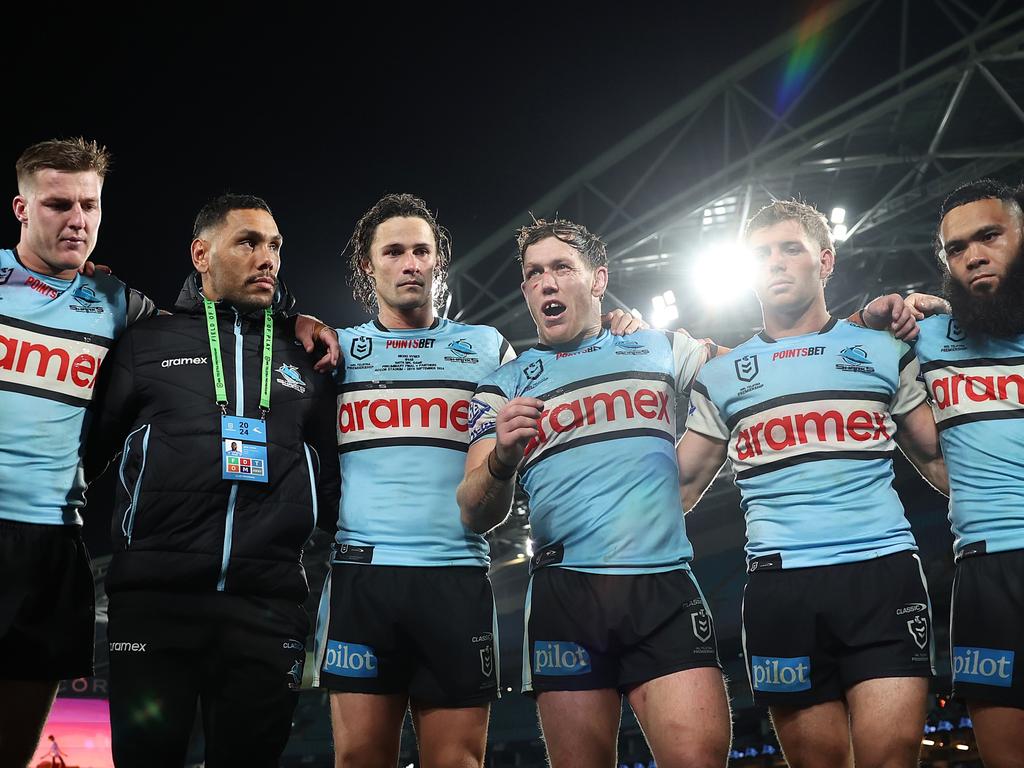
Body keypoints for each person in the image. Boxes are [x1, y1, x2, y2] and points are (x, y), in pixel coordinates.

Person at [314, 195, 643, 767]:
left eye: (422, 250)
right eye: (393, 252)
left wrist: (618, 330)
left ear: (439, 260)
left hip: (456, 578)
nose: (410, 263)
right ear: (369, 267)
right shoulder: (338, 351)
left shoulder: (488, 350)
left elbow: (564, 364)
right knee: (358, 760)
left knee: (460, 762)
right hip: (362, 580)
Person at [677, 199, 948, 768]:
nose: (775, 263)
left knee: (891, 758)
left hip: (883, 576)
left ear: (825, 261)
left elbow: (940, 462)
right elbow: (676, 489)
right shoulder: (722, 374)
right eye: (761, 254)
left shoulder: (882, 348)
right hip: (781, 589)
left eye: (790, 249)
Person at [458, 217, 731, 768]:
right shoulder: (504, 385)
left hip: (662, 587)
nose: (548, 282)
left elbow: (758, 375)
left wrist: (852, 329)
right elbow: (473, 511)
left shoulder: (659, 347)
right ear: (526, 292)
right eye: (535, 274)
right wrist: (504, 459)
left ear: (598, 279)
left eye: (563, 267)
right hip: (566, 596)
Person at [84, 193, 340, 767]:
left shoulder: (307, 357)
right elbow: (84, 456)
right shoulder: (145, 342)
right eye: (249, 242)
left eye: (275, 245)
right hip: (155, 602)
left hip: (266, 606)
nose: (268, 257)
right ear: (201, 253)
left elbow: (338, 481)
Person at [0, 137, 159, 767]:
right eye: (59, 203)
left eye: (89, 205)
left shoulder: (116, 303)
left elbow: (206, 327)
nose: (78, 220)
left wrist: (295, 321)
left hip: (52, 545)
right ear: (22, 207)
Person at [904, 179, 1024, 768]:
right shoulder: (925, 339)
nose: (973, 255)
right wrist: (882, 310)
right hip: (984, 572)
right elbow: (838, 344)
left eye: (990, 236)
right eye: (956, 249)